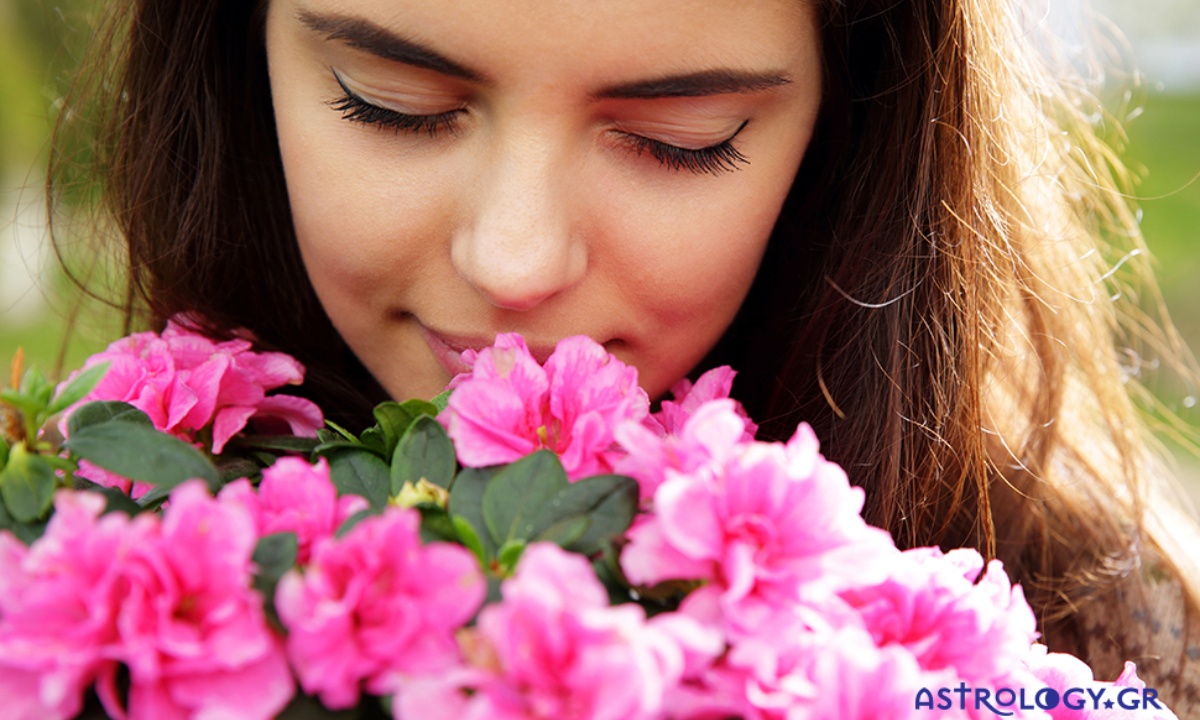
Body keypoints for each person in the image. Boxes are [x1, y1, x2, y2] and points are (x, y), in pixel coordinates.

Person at [49, 0, 1200, 710]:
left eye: (673, 142)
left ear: (852, 133)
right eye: (390, 104)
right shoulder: (60, 577)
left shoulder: (1105, 656)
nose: (513, 258)